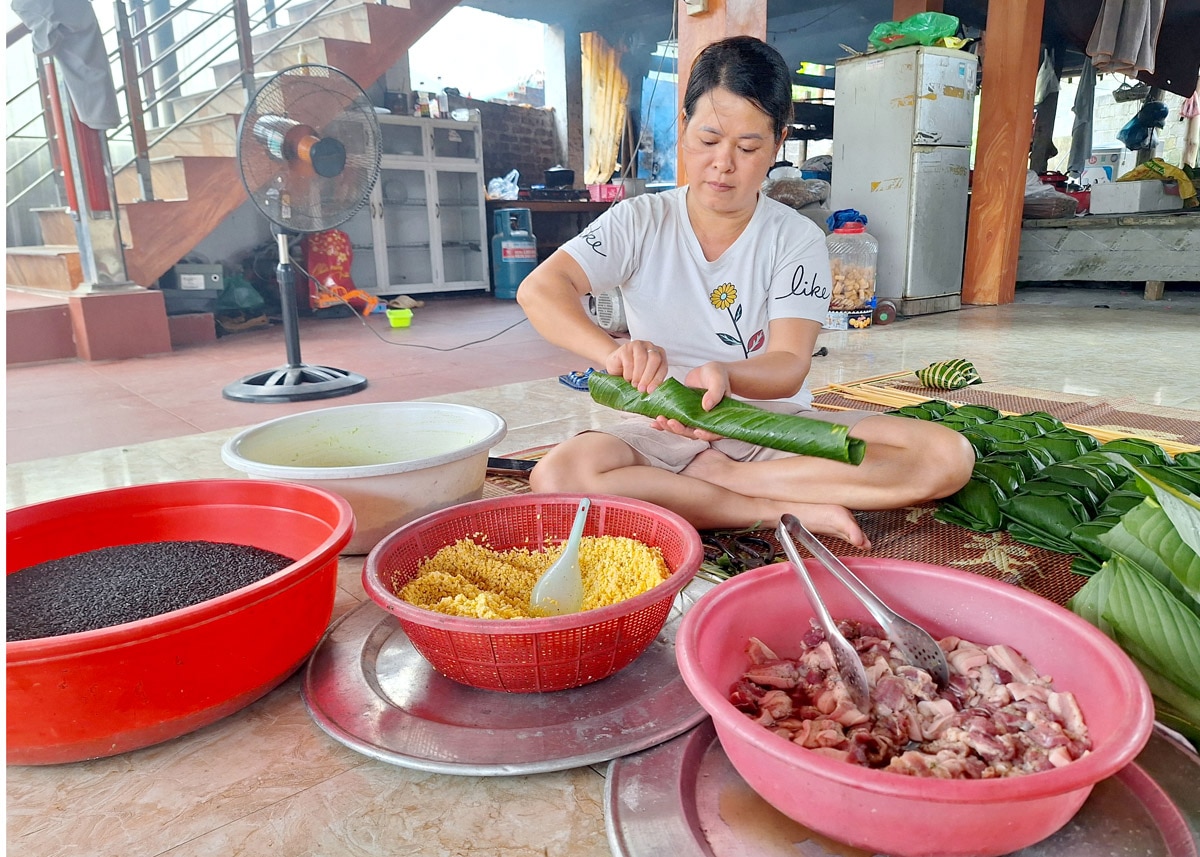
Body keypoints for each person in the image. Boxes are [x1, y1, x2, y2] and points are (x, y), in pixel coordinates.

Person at [516, 35, 974, 549]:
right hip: (663, 427)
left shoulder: (795, 238)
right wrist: (615, 351)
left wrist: (727, 374)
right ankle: (768, 508)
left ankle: (721, 482)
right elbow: (541, 289)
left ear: (777, 143)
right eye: (708, 139)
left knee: (945, 456)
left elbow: (788, 364)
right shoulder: (640, 219)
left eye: (749, 147)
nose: (724, 164)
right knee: (559, 476)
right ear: (683, 125)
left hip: (768, 423)